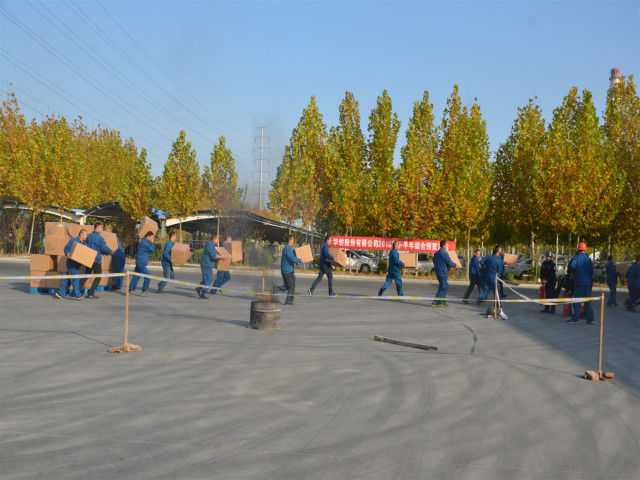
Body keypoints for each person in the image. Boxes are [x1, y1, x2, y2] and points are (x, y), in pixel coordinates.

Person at [55, 229, 88, 300]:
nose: (86, 236)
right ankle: (78, 295)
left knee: (69, 280)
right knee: (75, 278)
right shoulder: (73, 240)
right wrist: (67, 253)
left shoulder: (85, 243)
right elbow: (66, 248)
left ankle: (60, 293)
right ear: (81, 235)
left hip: (77, 265)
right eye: (86, 235)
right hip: (71, 264)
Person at [567, 242, 595, 324]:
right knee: (588, 301)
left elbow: (572, 266)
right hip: (587, 283)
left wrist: (573, 272)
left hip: (578, 282)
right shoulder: (588, 259)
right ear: (585, 250)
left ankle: (575, 318)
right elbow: (592, 272)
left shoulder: (576, 258)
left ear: (578, 250)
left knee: (577, 301)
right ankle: (590, 319)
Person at [83, 223, 113, 299]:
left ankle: (76, 291)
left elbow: (84, 244)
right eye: (101, 228)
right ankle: (91, 293)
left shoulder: (88, 236)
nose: (102, 230)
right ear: (97, 228)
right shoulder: (100, 238)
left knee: (86, 275)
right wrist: (111, 251)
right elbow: (104, 248)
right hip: (96, 260)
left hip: (88, 259)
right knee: (98, 277)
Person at [273, 235, 302, 305]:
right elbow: (292, 258)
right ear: (290, 241)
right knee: (291, 286)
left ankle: (275, 288)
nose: (293, 241)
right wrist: (301, 260)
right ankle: (289, 301)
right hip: (287, 271)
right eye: (293, 239)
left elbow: (292, 258)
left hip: (286, 270)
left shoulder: (288, 248)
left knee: (287, 286)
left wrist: (298, 261)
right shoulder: (288, 248)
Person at [432, 240, 457, 307]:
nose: (447, 246)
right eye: (446, 245)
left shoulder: (436, 253)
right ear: (443, 246)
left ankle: (442, 301)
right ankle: (435, 302)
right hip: (442, 272)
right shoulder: (444, 253)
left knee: (443, 286)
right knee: (444, 286)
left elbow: (434, 261)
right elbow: (449, 262)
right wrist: (455, 265)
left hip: (438, 272)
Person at [129, 231, 155, 295]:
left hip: (139, 261)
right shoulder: (145, 243)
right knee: (148, 275)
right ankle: (144, 290)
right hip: (141, 262)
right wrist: (152, 242)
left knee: (136, 276)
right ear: (148, 237)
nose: (152, 239)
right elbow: (152, 249)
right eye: (151, 237)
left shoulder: (144, 242)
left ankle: (129, 289)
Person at [196, 234, 219, 299]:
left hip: (208, 265)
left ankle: (199, 288)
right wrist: (222, 257)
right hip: (206, 265)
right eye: (217, 239)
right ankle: (203, 293)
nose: (218, 241)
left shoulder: (211, 245)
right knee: (208, 280)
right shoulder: (210, 245)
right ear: (214, 239)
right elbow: (214, 256)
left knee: (208, 280)